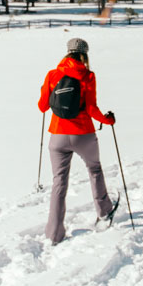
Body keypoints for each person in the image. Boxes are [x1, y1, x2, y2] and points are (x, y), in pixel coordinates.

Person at [38, 37, 118, 244]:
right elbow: (91, 108)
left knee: (59, 182)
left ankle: (54, 233)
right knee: (94, 170)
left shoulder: (52, 74)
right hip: (83, 133)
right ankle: (104, 211)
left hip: (58, 136)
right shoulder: (88, 76)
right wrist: (107, 120)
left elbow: (42, 106)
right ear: (84, 54)